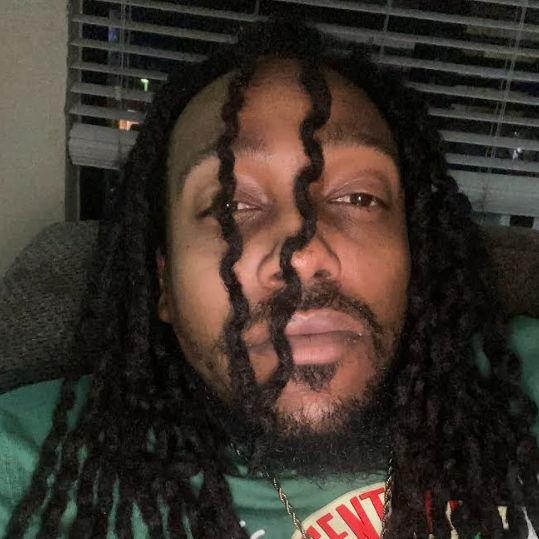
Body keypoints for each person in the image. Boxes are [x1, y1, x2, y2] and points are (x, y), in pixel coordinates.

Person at [1, 17, 538, 539]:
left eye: (358, 197)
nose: (302, 255)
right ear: (162, 282)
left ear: (414, 252)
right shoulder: (25, 459)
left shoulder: (521, 386)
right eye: (230, 207)